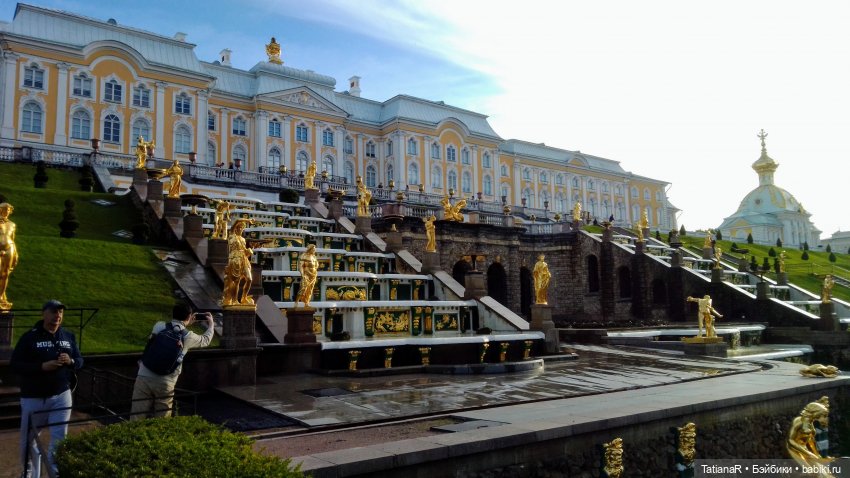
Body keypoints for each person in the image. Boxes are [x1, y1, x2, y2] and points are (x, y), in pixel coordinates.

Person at [11, 300, 83, 477]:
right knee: (27, 441)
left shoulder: (68, 336)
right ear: (43, 314)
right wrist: (41, 367)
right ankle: (29, 472)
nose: (57, 316)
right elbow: (15, 365)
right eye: (53, 312)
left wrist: (71, 361)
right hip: (34, 398)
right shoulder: (30, 337)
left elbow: (80, 362)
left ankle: (54, 472)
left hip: (61, 395)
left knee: (59, 437)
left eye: (60, 312)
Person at [131, 302, 214, 420]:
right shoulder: (188, 337)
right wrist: (211, 324)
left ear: (173, 314)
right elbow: (205, 340)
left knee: (136, 417)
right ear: (189, 316)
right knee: (162, 419)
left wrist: (186, 322)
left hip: (144, 375)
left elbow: (150, 344)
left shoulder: (159, 326)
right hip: (166, 381)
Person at [222, 219, 255, 306]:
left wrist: (249, 252)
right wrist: (248, 220)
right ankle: (234, 300)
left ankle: (244, 298)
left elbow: (244, 251)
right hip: (235, 260)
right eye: (239, 227)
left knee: (249, 279)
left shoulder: (243, 239)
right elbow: (236, 220)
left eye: (242, 228)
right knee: (236, 281)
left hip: (244, 259)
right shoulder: (232, 235)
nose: (240, 229)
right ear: (235, 228)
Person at [0, 202, 18, 310]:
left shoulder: (12, 224)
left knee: (5, 274)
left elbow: (12, 239)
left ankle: (1, 297)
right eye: (4, 209)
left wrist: (15, 253)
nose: (6, 211)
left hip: (9, 248)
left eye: (8, 210)